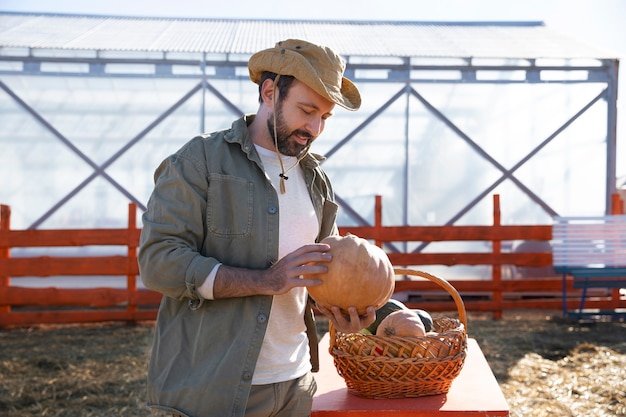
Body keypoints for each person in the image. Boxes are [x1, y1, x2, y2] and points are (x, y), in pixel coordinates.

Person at [139, 39, 376, 417]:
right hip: (215, 386)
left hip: (297, 382)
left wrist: (342, 312)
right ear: (269, 92)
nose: (314, 127)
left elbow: (315, 278)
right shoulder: (199, 161)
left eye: (325, 117)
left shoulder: (317, 180)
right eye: (306, 110)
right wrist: (267, 280)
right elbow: (158, 261)